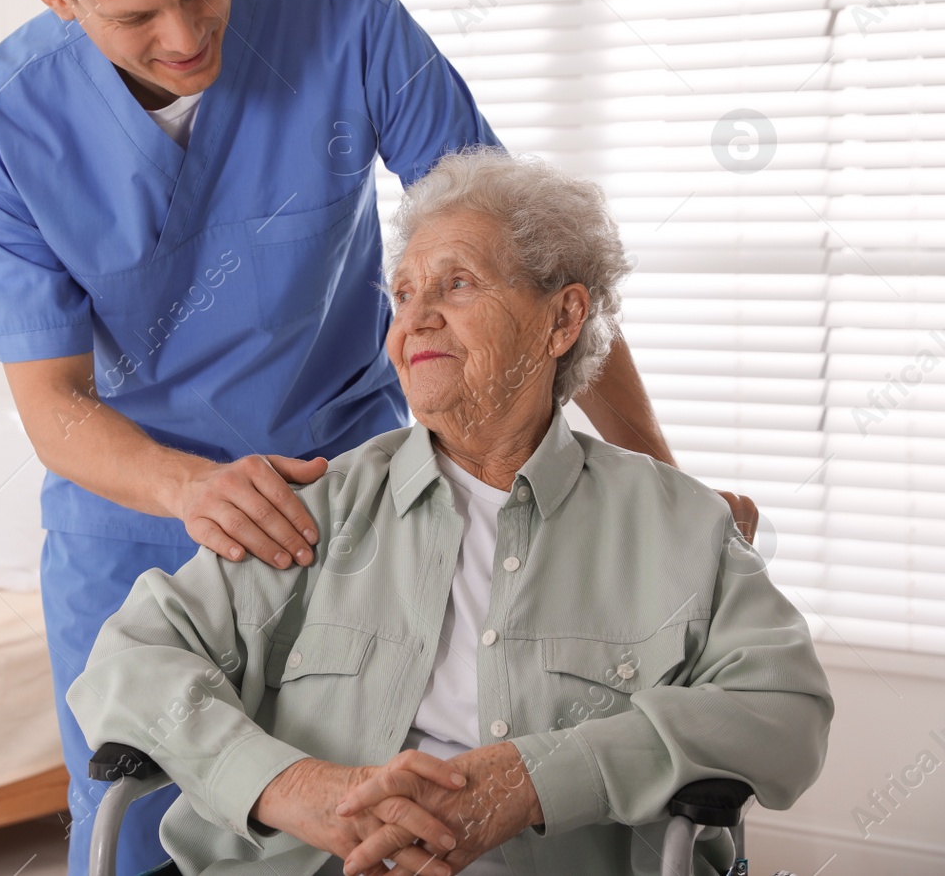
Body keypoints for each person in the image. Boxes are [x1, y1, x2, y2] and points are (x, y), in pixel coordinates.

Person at [0, 0, 757, 873]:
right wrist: (190, 489)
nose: (186, 35)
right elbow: (51, 400)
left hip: (351, 506)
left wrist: (656, 477)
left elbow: (524, 259)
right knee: (137, 825)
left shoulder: (347, 26)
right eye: (138, 15)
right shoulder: (4, 122)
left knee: (368, 818)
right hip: (137, 517)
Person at [67, 148, 833, 876]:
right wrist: (290, 785)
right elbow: (128, 662)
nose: (415, 320)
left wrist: (534, 778)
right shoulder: (314, 507)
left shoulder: (680, 526)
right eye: (403, 293)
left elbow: (784, 708)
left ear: (562, 319)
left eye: (458, 283)